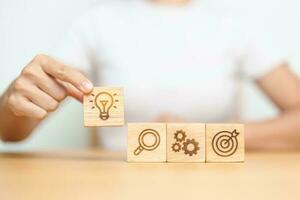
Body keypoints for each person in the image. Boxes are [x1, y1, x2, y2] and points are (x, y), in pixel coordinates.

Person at [1, 0, 300, 150]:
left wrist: (205, 138)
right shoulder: (96, 24)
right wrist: (14, 97)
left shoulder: (234, 28)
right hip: (114, 183)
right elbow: (11, 132)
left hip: (213, 182)